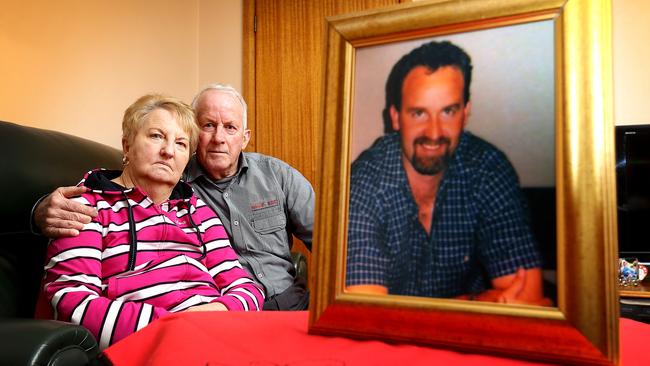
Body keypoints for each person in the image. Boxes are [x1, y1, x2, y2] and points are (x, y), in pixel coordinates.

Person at [34, 84, 314, 310]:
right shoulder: (169, 186)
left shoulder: (272, 177)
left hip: (283, 302)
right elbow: (74, 293)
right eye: (207, 126)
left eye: (230, 127)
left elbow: (332, 241)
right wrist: (37, 211)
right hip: (226, 320)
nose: (219, 138)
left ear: (245, 137)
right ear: (127, 145)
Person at [42, 94, 265, 349]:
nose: (168, 151)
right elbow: (73, 302)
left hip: (218, 336)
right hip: (151, 345)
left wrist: (215, 314)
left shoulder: (198, 211)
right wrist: (175, 327)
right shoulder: (87, 205)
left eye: (181, 144)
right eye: (156, 136)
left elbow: (246, 288)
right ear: (127, 146)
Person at [346, 41, 549, 306]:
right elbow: (365, 313)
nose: (434, 132)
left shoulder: (488, 169)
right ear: (396, 117)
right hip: (392, 347)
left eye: (448, 111)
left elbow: (527, 298)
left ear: (465, 114)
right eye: (419, 113)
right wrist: (477, 303)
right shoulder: (365, 181)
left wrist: (409, 317)